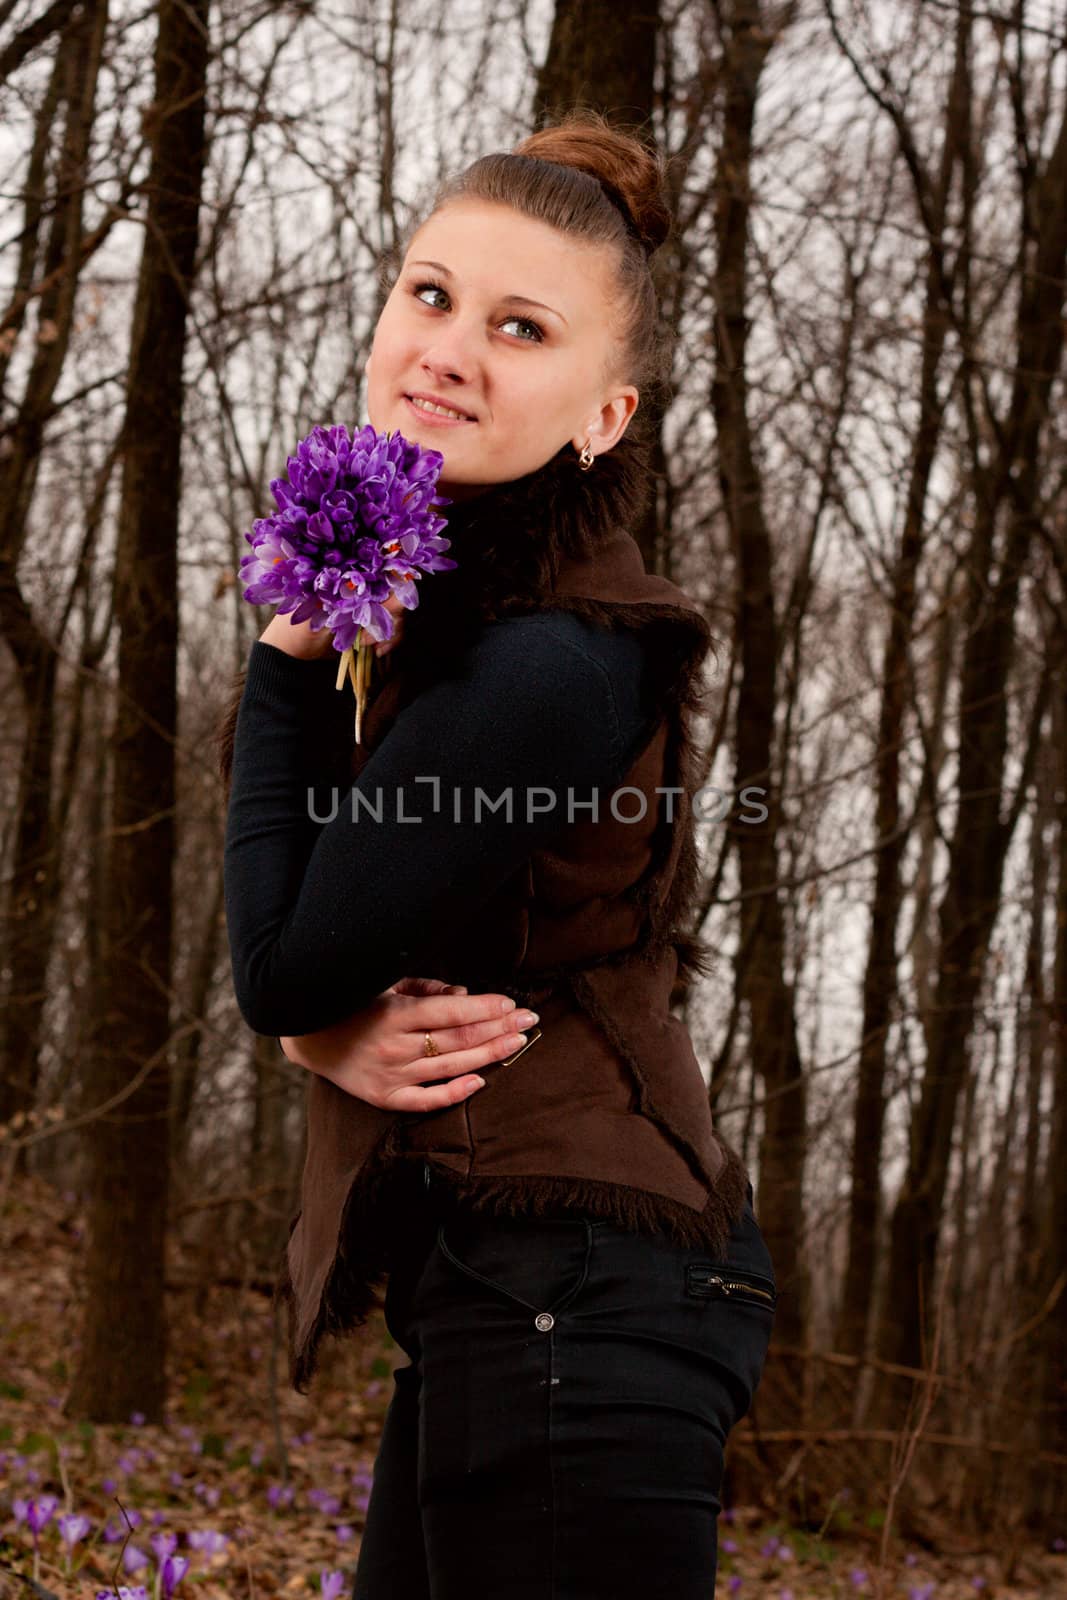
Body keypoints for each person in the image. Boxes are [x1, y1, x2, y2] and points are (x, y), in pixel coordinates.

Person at [219, 110, 776, 1600]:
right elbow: (316, 978)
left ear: (605, 417)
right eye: (431, 293)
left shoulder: (556, 663)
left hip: (584, 1300)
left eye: (522, 328)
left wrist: (284, 656)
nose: (451, 348)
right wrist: (310, 1033)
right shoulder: (460, 612)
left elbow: (286, 964)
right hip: (514, 1290)